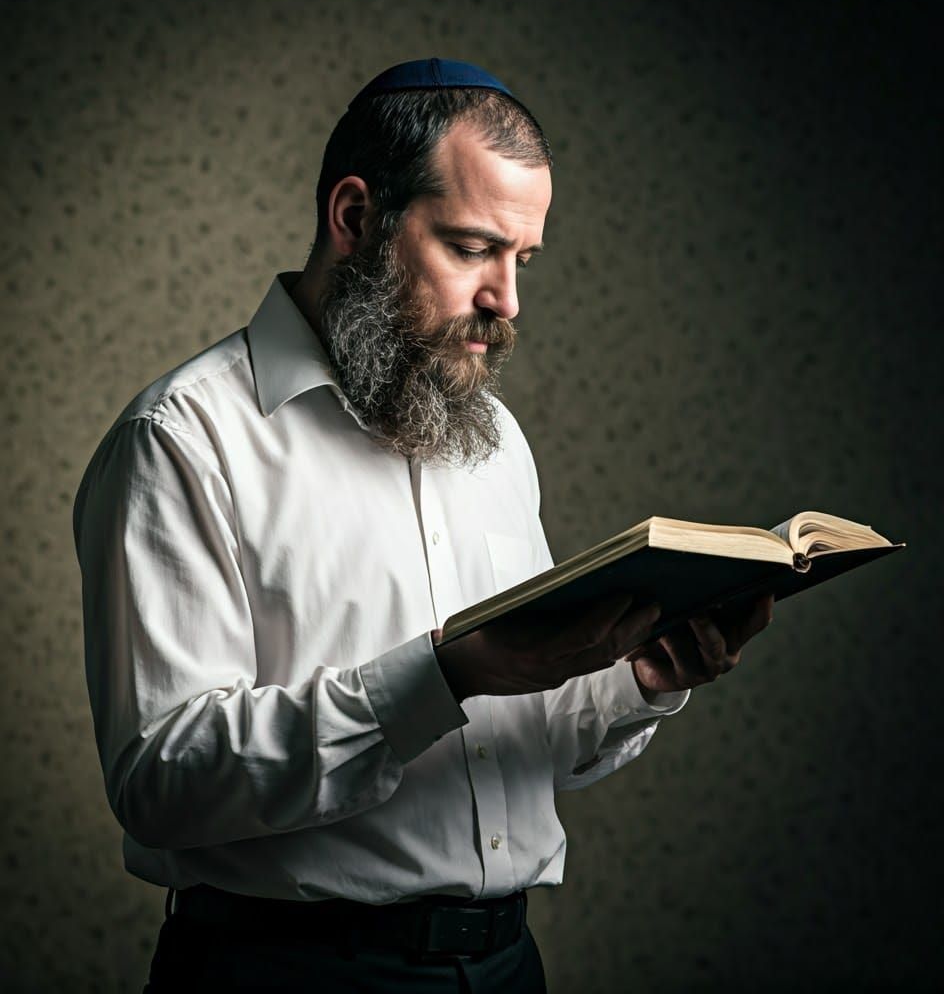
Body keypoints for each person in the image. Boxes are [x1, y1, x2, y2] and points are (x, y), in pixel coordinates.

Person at [72, 59, 773, 993]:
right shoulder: (182, 440)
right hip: (285, 977)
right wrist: (440, 673)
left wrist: (638, 679)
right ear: (356, 218)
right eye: (473, 247)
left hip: (508, 970)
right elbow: (164, 781)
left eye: (522, 259)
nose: (508, 301)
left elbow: (520, 736)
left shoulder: (490, 439)